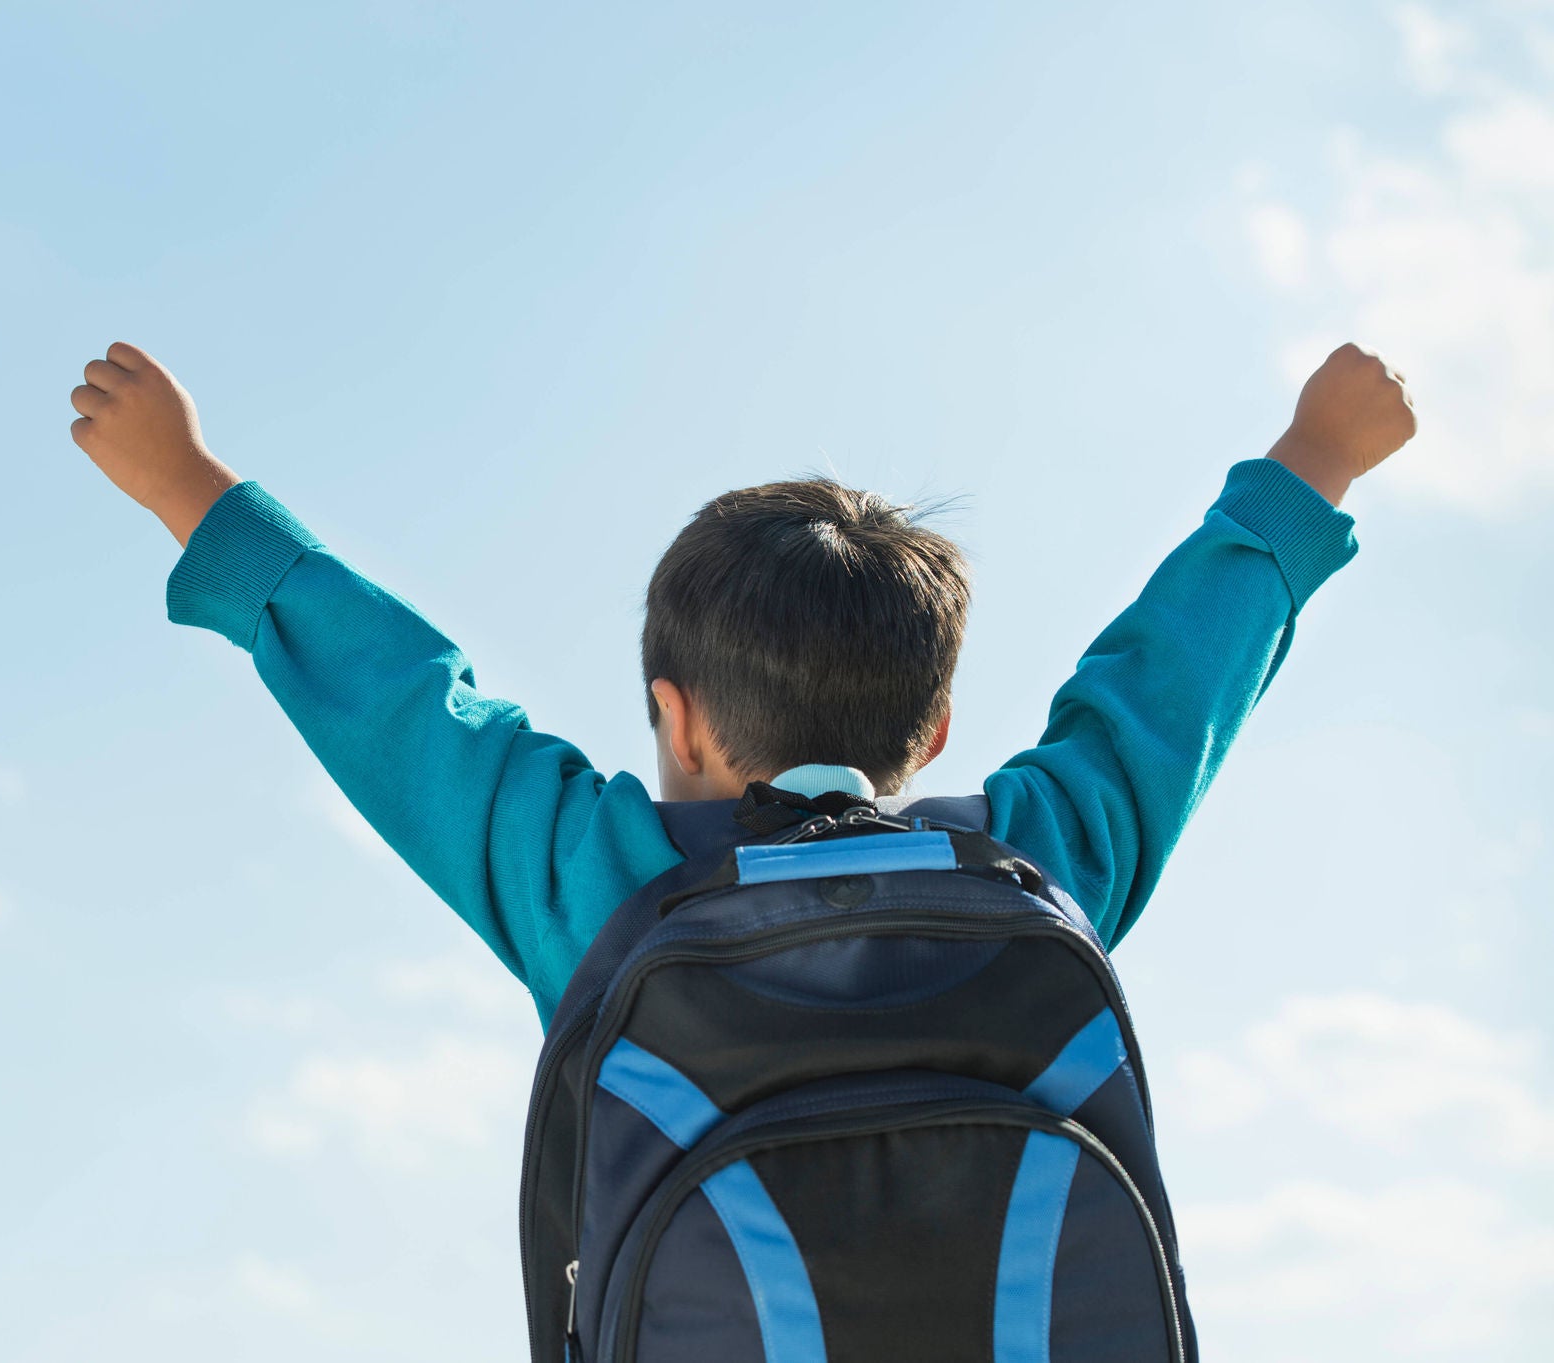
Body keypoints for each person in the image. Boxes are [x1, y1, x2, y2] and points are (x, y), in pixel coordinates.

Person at [68, 341, 1415, 1027]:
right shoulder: (1026, 866)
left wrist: (195, 495)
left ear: (675, 716)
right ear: (933, 730)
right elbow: (1164, 692)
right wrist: (1310, 469)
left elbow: (410, 705)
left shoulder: (602, 881)